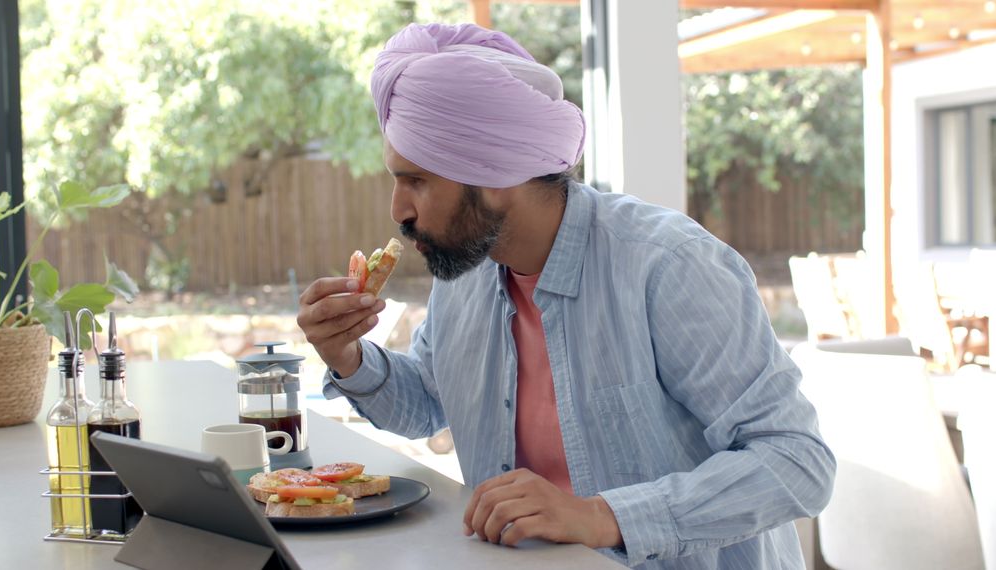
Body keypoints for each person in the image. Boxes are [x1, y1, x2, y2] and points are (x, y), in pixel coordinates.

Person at [296, 22, 835, 569]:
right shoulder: (469, 274)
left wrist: (603, 517)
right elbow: (427, 404)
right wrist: (349, 357)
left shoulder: (668, 265)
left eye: (416, 181)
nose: (398, 211)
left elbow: (797, 461)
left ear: (496, 174)